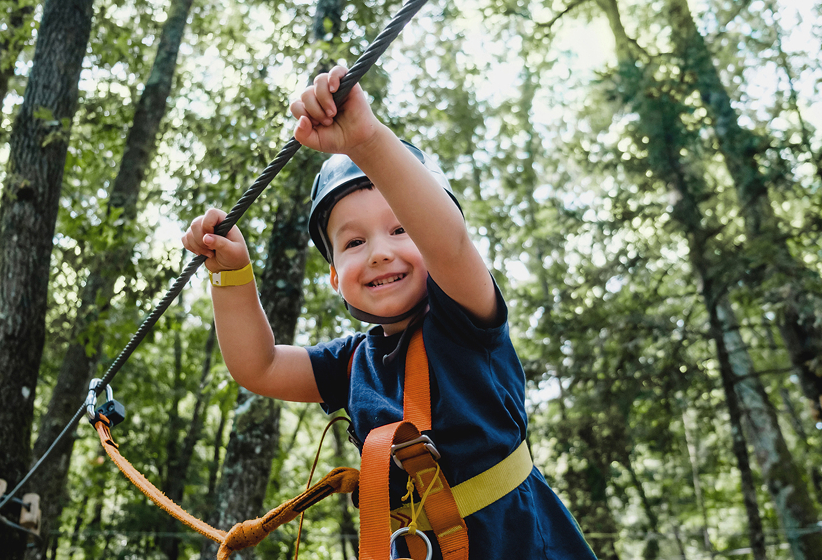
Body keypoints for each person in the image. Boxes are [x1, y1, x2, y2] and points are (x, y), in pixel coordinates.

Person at [182, 66, 596, 559]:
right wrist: (231, 275)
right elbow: (260, 365)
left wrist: (366, 141)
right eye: (354, 242)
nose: (379, 252)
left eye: (402, 230)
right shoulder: (352, 364)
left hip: (517, 545)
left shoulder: (466, 320)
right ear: (335, 277)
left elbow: (449, 245)